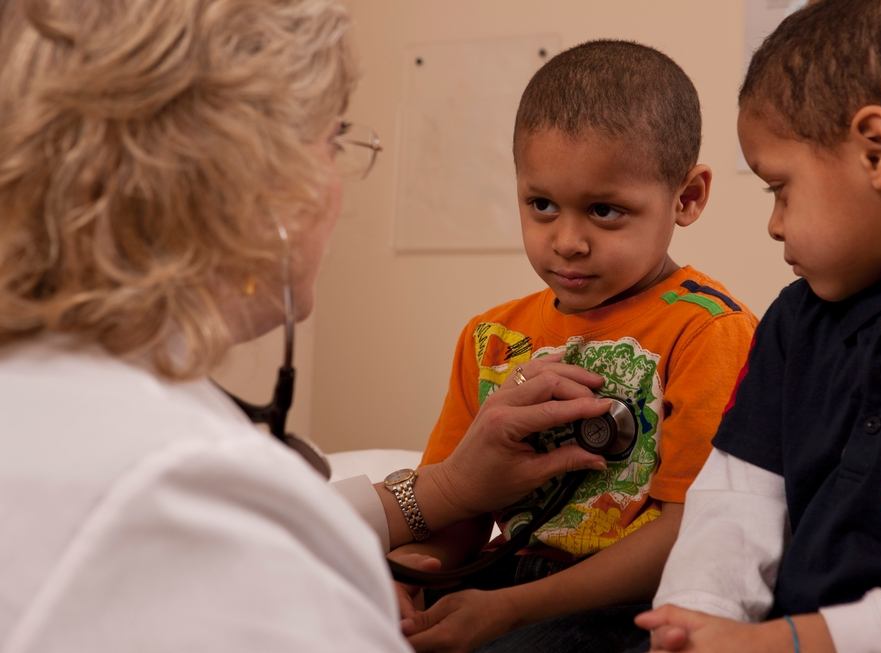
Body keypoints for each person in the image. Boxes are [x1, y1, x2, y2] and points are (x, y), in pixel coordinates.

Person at [0, 1, 620, 650]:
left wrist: (440, 491)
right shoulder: (184, 490)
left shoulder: (59, 398)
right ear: (257, 181)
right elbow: (230, 528)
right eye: (332, 141)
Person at [638, 1, 881, 651]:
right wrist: (693, 617)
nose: (772, 224)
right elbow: (733, 504)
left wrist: (791, 641)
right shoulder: (799, 319)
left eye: (779, 188)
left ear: (875, 152)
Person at [396, 40, 757, 653]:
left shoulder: (708, 332)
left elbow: (689, 533)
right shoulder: (491, 339)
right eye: (541, 205)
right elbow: (453, 505)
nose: (566, 241)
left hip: (626, 602)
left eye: (604, 211)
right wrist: (408, 574)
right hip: (500, 582)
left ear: (687, 197)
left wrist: (506, 611)